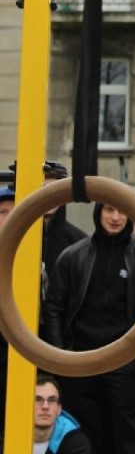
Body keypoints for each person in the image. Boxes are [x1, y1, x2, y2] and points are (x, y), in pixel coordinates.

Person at [44, 203, 135, 454]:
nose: (115, 217)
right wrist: (62, 358)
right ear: (98, 213)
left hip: (125, 360)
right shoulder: (73, 255)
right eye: (108, 210)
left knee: (130, 435)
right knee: (87, 433)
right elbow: (54, 307)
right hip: (81, 359)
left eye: (122, 210)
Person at [33, 373, 91, 454]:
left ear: (59, 408)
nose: (45, 406)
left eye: (52, 400)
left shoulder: (75, 441)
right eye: (38, 400)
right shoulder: (10, 434)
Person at [0, 185, 15, 443]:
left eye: (14, 212)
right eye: (3, 212)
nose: (9, 218)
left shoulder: (36, 253)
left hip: (19, 354)